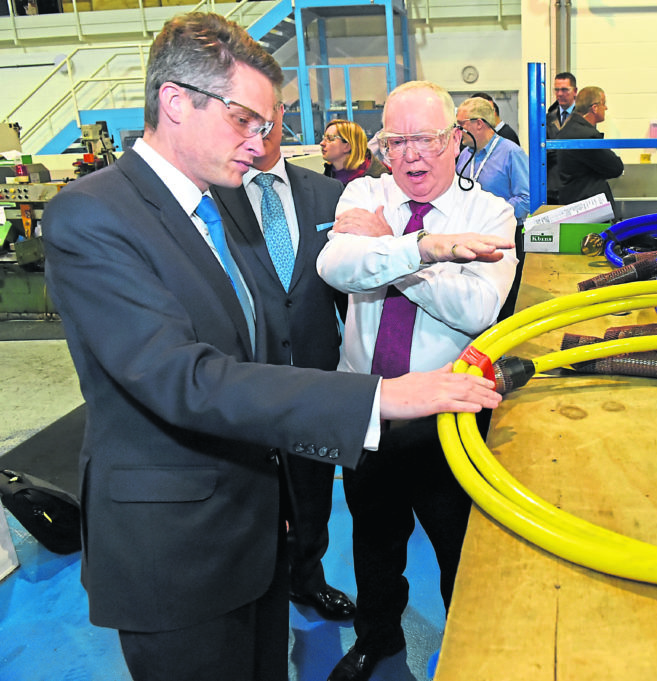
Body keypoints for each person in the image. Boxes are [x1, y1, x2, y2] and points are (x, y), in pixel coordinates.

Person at [42, 13, 503, 681]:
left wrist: (286, 506)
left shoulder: (212, 207)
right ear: (175, 101)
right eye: (244, 121)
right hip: (177, 552)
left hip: (253, 530)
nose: (261, 143)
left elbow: (265, 351)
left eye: (267, 125)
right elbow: (186, 379)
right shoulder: (94, 216)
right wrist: (382, 394)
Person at [317, 80, 517, 681]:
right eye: (396, 141)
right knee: (373, 544)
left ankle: (467, 654)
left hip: (448, 418)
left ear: (455, 140)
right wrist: (429, 250)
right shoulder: (362, 190)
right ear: (380, 147)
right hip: (368, 408)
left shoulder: (490, 212)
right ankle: (377, 640)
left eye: (427, 138)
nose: (412, 156)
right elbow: (336, 265)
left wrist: (395, 247)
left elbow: (477, 311)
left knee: (460, 549)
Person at [210, 102, 355, 622]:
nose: (259, 132)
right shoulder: (212, 195)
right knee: (254, 494)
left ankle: (307, 578)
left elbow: (349, 291)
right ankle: (258, 588)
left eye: (268, 120)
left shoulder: (328, 194)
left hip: (317, 373)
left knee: (313, 487)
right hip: (246, 380)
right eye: (247, 120)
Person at [456, 96, 530, 222]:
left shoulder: (511, 153)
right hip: (469, 231)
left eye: (462, 124)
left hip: (504, 233)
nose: (458, 129)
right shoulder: (464, 155)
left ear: (479, 124)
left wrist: (492, 214)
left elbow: (527, 199)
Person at [554, 85, 624, 216]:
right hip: (589, 209)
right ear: (595, 107)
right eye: (604, 103)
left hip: (573, 204)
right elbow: (615, 168)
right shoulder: (586, 136)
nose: (606, 108)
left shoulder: (567, 130)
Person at [321, 118, 389, 188]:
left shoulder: (377, 179)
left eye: (330, 139)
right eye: (324, 138)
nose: (322, 143)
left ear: (347, 146)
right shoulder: (330, 171)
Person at [545, 71, 576, 203]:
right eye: (557, 90)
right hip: (552, 189)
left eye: (564, 90)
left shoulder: (585, 117)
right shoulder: (547, 119)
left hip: (575, 187)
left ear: (575, 91)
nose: (559, 94)